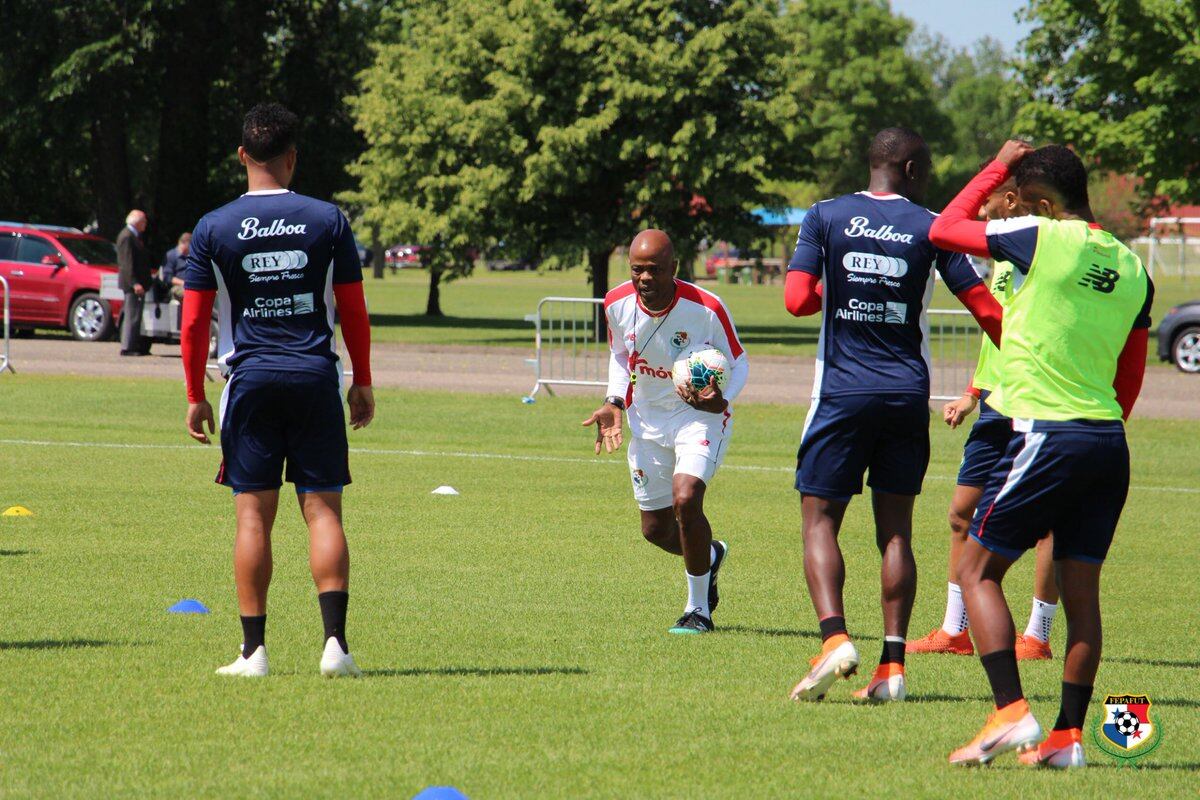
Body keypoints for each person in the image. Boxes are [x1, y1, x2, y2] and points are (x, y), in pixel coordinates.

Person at [930, 142, 1152, 767]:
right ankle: (1067, 739)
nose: (1019, 214)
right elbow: (1130, 375)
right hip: (1108, 442)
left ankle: (1010, 714)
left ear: (1047, 206)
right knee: (1083, 599)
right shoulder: (1134, 266)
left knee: (976, 572)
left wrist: (997, 167)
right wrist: (1098, 430)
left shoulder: (1040, 236)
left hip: (1047, 435)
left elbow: (943, 230)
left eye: (1026, 205)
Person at [783, 127, 1003, 703]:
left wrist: (842, 289)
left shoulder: (825, 215)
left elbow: (797, 300)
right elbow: (986, 308)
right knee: (896, 531)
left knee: (820, 519)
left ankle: (835, 640)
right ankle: (893, 668)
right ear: (909, 168)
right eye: (925, 168)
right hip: (907, 394)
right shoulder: (932, 226)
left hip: (842, 392)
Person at [180, 103, 375, 678]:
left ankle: (253, 654)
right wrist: (362, 380)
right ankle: (335, 648)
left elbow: (193, 323)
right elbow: (354, 310)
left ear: (243, 155)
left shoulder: (213, 227)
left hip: (250, 381)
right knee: (323, 513)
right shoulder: (328, 220)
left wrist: (193, 394)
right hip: (315, 377)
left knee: (252, 519)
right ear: (293, 157)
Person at [907, 164, 1058, 661]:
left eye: (988, 198)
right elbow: (999, 334)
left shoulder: (1048, 250)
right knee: (961, 512)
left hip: (1040, 401)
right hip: (995, 401)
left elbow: (947, 227)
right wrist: (973, 392)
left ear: (1011, 200)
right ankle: (956, 631)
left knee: (1048, 524)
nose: (981, 209)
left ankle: (1037, 635)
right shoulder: (1004, 260)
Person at [583, 229, 748, 634]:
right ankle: (710, 556)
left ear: (673, 267)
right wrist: (614, 401)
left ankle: (698, 610)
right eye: (637, 269)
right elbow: (620, 356)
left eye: (655, 270)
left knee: (686, 498)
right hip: (648, 421)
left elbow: (738, 362)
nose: (645, 278)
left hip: (698, 417)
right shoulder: (616, 303)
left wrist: (721, 401)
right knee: (656, 530)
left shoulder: (706, 308)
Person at [117, 209, 153, 356]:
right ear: (136, 221)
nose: (145, 224)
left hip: (138, 283)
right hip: (132, 284)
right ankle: (127, 347)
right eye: (143, 221)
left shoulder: (134, 236)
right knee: (132, 315)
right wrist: (135, 283)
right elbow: (127, 263)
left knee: (136, 315)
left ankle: (134, 345)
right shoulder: (127, 236)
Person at [160, 232, 191, 302]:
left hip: (191, 286)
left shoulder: (191, 256)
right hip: (177, 287)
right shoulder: (171, 255)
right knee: (190, 293)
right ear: (182, 243)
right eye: (190, 245)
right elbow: (167, 277)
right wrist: (185, 283)